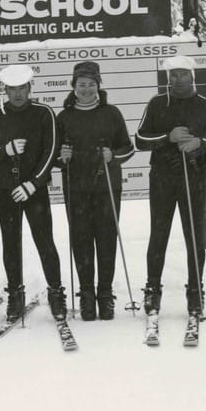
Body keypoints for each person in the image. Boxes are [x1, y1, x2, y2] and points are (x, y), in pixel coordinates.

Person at [134, 55, 206, 316]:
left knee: (195, 236)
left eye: (183, 74)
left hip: (193, 177)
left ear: (192, 76)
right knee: (159, 234)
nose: (178, 80)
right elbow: (140, 140)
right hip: (162, 177)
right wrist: (168, 137)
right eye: (173, 75)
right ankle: (153, 288)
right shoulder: (157, 103)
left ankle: (195, 289)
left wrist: (201, 143)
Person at [0, 64, 67, 323]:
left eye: (22, 88)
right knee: (10, 243)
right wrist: (4, 151)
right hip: (6, 189)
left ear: (30, 88)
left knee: (45, 241)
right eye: (12, 89)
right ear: (5, 90)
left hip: (33, 190)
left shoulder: (43, 113)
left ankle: (56, 291)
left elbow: (51, 151)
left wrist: (33, 183)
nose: (17, 94)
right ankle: (15, 293)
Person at [55, 61, 134, 321]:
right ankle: (86, 294)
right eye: (81, 85)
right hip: (76, 187)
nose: (86, 89)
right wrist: (62, 156)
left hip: (106, 186)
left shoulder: (111, 113)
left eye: (91, 84)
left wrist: (113, 155)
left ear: (99, 85)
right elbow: (53, 154)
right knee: (81, 240)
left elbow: (128, 148)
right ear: (73, 86)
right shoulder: (64, 117)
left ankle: (105, 294)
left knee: (106, 239)